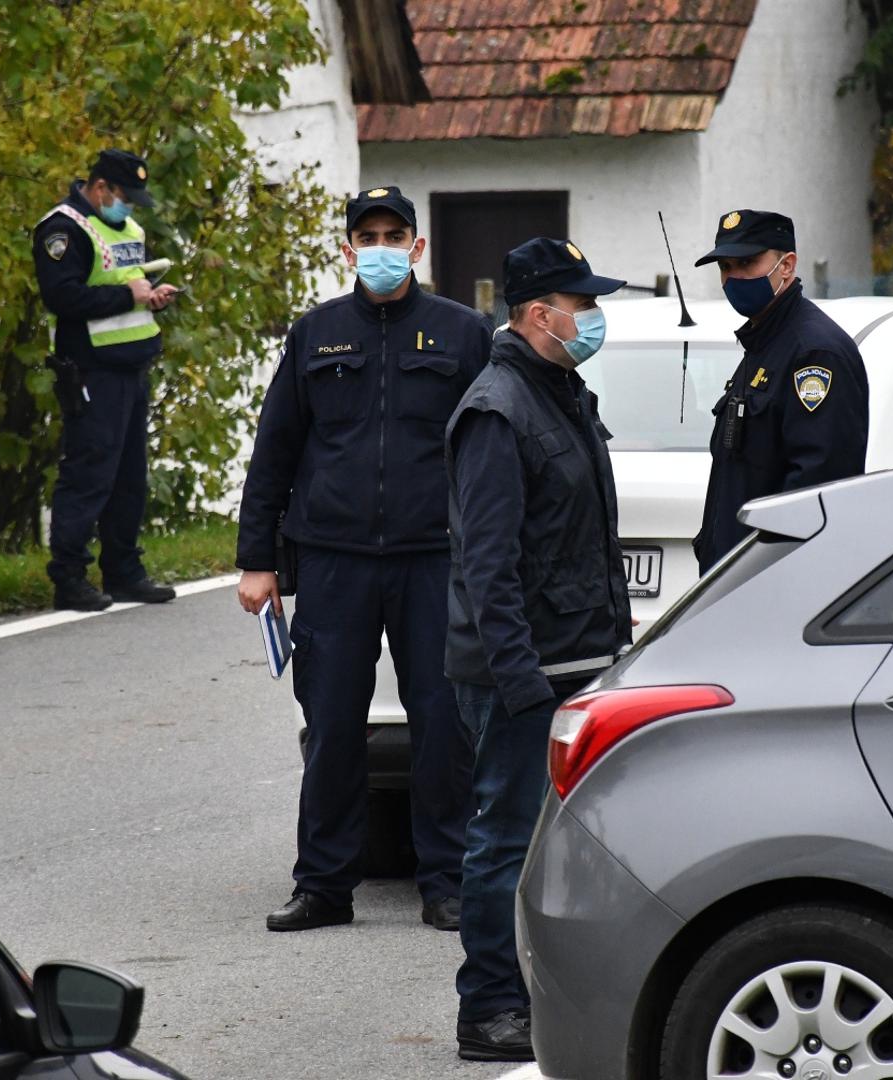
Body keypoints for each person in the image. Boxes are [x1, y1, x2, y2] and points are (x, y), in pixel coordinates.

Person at [235, 186, 491, 935]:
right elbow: (275, 449)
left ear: (416, 246)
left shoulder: (464, 333)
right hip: (334, 561)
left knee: (441, 725)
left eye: (393, 235)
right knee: (333, 724)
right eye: (367, 236)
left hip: (433, 559)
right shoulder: (316, 334)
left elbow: (490, 445)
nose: (381, 247)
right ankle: (323, 886)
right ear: (348, 248)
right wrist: (257, 560)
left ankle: (447, 882)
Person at [444, 237, 632, 1061]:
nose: (592, 318)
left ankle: (554, 996)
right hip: (519, 675)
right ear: (537, 314)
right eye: (581, 305)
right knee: (504, 839)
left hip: (577, 660)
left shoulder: (560, 393)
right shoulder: (496, 410)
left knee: (569, 844)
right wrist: (519, 680)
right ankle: (488, 1007)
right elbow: (486, 565)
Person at [33, 148, 181, 611]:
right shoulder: (62, 229)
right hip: (91, 369)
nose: (129, 206)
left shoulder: (129, 229)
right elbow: (63, 297)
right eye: (124, 197)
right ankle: (69, 577)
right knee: (88, 474)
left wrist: (152, 297)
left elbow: (133, 283)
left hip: (131, 366)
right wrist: (126, 296)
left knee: (129, 478)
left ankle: (123, 572)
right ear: (100, 188)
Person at [692, 209, 870, 573]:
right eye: (725, 266)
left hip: (775, 576)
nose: (733, 278)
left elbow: (815, 489)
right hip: (734, 574)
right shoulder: (764, 343)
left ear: (786, 265)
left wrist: (766, 570)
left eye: (747, 263)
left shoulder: (813, 352)